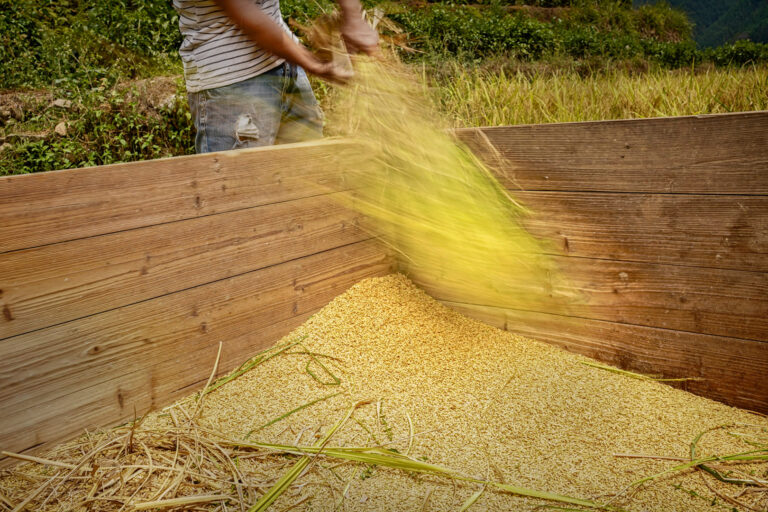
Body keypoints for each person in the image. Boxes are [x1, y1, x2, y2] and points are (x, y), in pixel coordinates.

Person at [173, 0, 378, 153]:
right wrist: (316, 65)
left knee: (308, 185)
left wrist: (353, 18)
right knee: (238, 198)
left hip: (287, 68)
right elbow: (247, 16)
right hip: (232, 86)